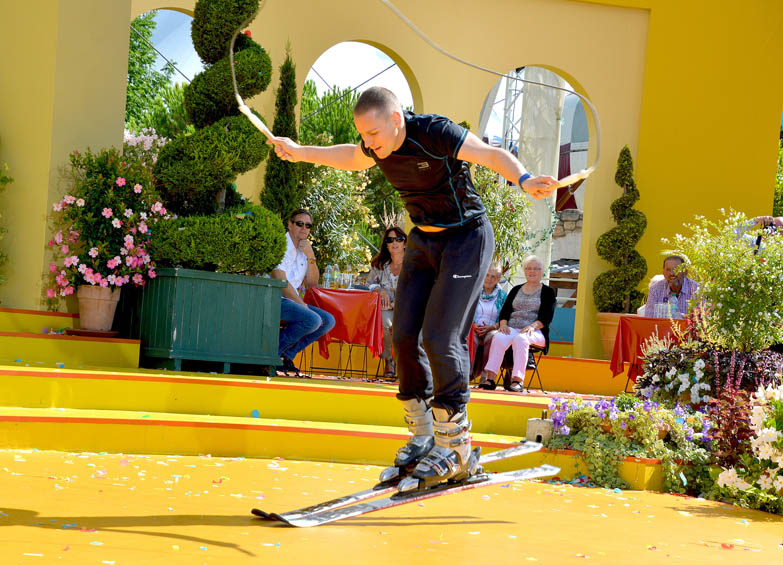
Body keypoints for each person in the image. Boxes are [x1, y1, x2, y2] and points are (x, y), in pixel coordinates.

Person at [268, 86, 558, 489]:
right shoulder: (374, 146)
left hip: (466, 238)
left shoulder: (434, 133)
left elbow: (490, 155)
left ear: (396, 120)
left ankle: (455, 444)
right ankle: (423, 436)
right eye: (363, 135)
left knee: (441, 336)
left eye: (373, 134)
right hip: (423, 239)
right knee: (403, 335)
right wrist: (300, 151)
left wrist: (524, 179)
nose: (369, 143)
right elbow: (349, 157)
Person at [270, 209, 335, 376]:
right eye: (300, 224)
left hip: (290, 301)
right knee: (312, 319)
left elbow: (312, 284)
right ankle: (271, 355)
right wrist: (302, 304)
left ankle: (286, 356)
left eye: (308, 225)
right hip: (272, 298)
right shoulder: (280, 245)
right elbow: (280, 281)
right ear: (290, 225)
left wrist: (311, 257)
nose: (304, 228)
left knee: (328, 321)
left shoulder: (304, 250)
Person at [479, 256, 556, 393]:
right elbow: (505, 311)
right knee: (498, 337)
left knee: (521, 339)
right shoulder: (516, 289)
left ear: (542, 271)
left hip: (536, 331)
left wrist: (532, 326)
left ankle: (517, 380)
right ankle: (490, 378)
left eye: (536, 269)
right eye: (529, 268)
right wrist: (503, 325)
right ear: (525, 271)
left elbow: (547, 317)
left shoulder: (548, 292)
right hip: (512, 328)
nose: (532, 271)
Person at [367, 226, 407, 379]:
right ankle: (389, 360)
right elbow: (368, 284)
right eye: (390, 240)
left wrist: (394, 304)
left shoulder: (414, 264)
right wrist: (379, 289)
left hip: (408, 310)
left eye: (399, 239)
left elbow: (418, 289)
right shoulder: (379, 265)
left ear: (405, 243)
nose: (394, 243)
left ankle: (404, 363)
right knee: (383, 321)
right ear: (386, 244)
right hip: (386, 310)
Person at [471, 263, 507, 385]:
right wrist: (472, 325)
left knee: (492, 338)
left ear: (498, 279)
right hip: (474, 328)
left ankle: (485, 375)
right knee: (471, 339)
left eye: (493, 277)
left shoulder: (502, 296)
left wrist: (492, 327)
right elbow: (465, 312)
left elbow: (506, 317)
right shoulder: (474, 291)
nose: (489, 279)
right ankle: (466, 374)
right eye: (487, 275)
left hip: (493, 328)